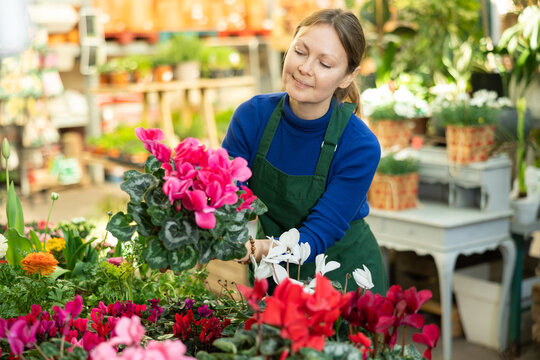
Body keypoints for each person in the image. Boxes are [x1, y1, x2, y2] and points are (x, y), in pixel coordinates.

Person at [222, 8, 387, 293]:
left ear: (348, 76)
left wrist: (258, 247)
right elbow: (226, 197)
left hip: (345, 281)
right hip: (273, 276)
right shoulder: (252, 117)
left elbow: (319, 232)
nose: (305, 68)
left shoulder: (359, 145)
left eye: (324, 64)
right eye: (300, 51)